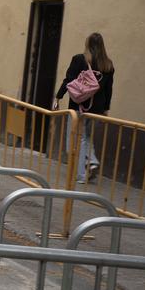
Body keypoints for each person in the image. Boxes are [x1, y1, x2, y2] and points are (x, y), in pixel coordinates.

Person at [54, 32, 115, 183]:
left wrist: (58, 97)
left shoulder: (79, 59)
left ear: (87, 44)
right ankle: (92, 161)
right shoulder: (107, 65)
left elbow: (69, 80)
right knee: (86, 137)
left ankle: (81, 175)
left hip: (78, 107)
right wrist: (106, 108)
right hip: (97, 109)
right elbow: (109, 89)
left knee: (74, 141)